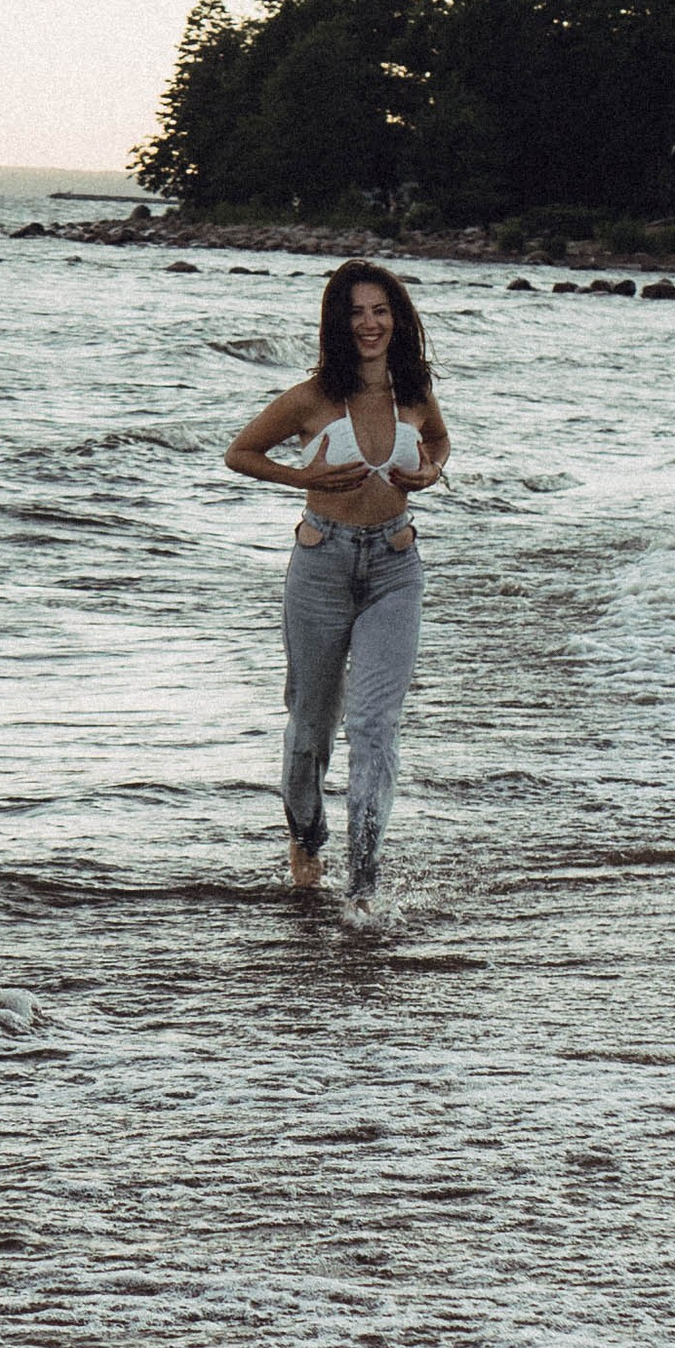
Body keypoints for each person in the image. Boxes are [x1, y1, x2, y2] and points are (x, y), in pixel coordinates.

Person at [224, 259, 449, 897]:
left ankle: (365, 878)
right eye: (356, 313)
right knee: (310, 729)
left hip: (395, 568)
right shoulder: (311, 398)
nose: (369, 324)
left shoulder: (414, 391)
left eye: (380, 310)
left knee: (376, 724)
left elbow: (439, 442)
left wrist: (429, 472)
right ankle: (306, 837)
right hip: (321, 566)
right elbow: (240, 453)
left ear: (397, 318)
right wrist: (306, 480)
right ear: (337, 322)